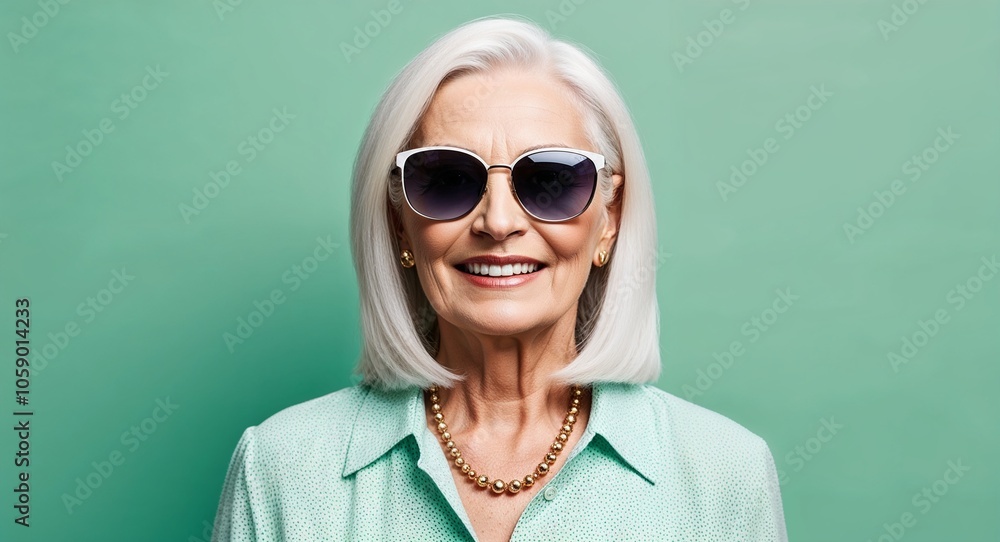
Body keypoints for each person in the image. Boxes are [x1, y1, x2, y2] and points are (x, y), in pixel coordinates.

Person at [211, 15, 788, 542]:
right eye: (447, 179)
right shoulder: (282, 470)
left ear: (608, 221)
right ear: (399, 224)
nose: (499, 222)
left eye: (551, 180)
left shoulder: (724, 476)